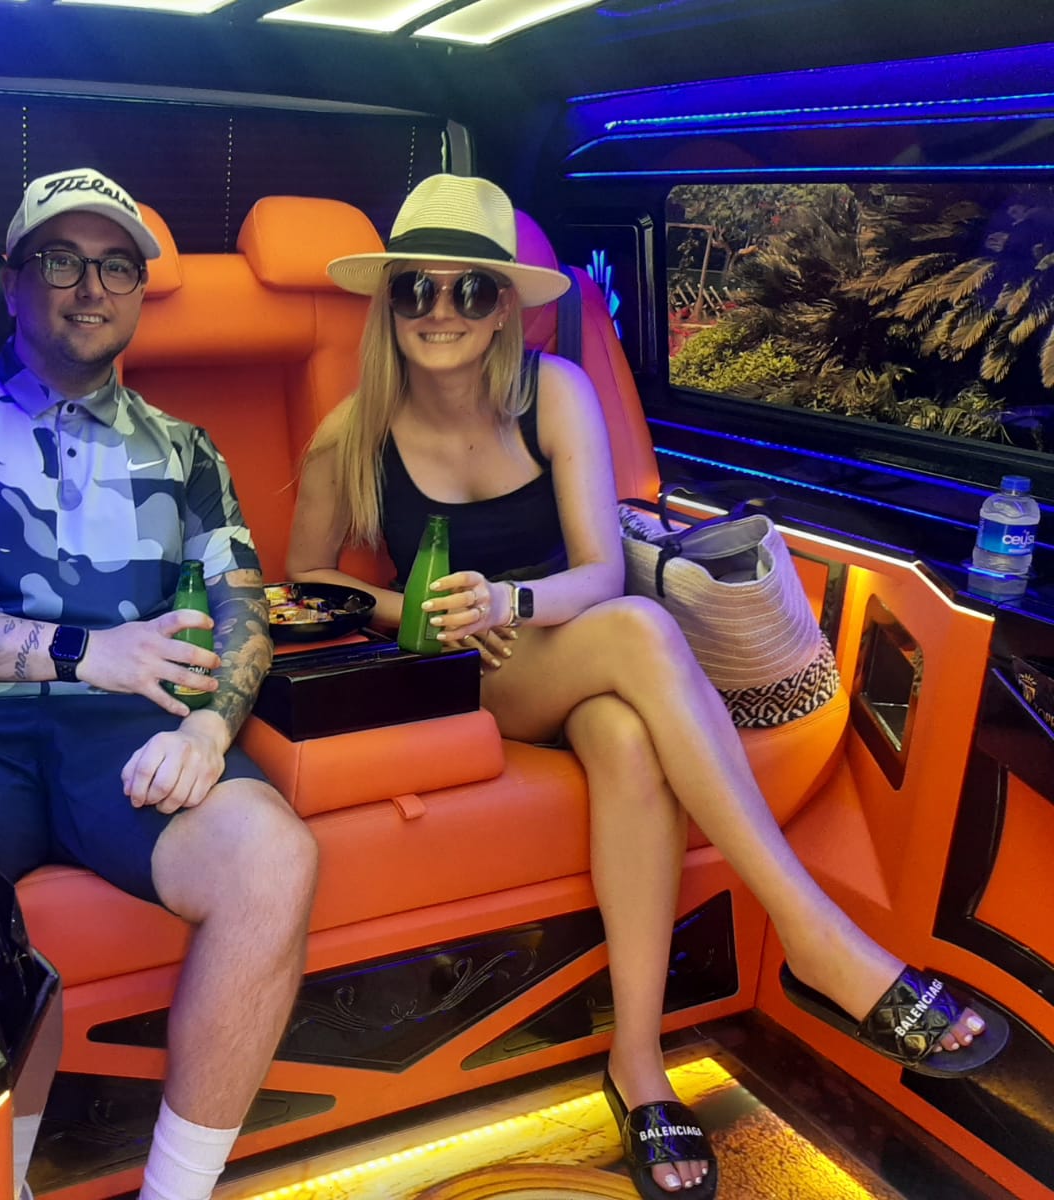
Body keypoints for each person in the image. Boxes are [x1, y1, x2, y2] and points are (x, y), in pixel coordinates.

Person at [287, 173, 1008, 1198]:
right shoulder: (352, 429)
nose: (440, 311)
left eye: (469, 289)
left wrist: (510, 600)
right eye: (416, 289)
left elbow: (597, 571)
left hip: (571, 636)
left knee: (627, 733)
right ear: (389, 304)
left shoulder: (554, 394)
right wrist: (415, 609)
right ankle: (816, 937)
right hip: (469, 675)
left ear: (505, 306)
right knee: (637, 632)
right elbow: (304, 581)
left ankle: (637, 1063)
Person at [0, 167, 318, 1200]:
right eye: (61, 260)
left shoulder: (186, 452)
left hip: (125, 733)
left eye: (116, 266)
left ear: (138, 291)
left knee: (273, 857)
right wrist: (76, 651)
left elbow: (242, 606)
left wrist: (211, 730)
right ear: (14, 281)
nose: (91, 287)